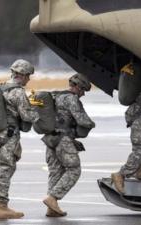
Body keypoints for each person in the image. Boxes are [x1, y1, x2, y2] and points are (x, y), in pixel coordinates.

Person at [0, 59, 39, 219]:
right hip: (9, 134)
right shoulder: (17, 91)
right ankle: (2, 206)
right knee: (6, 168)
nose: (28, 79)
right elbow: (27, 115)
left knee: (5, 166)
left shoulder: (0, 87)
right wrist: (37, 112)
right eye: (28, 76)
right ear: (22, 75)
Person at [41, 73, 95, 217]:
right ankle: (53, 198)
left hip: (50, 139)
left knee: (55, 172)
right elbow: (82, 120)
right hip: (63, 139)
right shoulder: (71, 99)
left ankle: (52, 208)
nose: (83, 94)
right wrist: (91, 124)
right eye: (82, 90)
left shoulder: (55, 96)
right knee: (74, 170)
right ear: (76, 86)